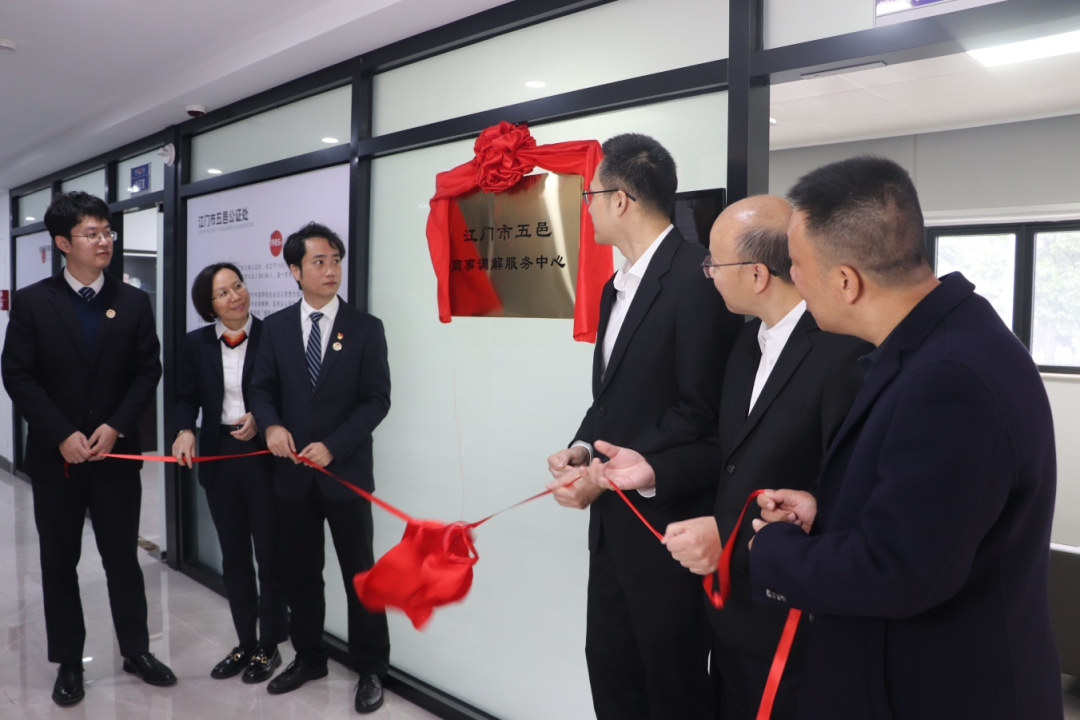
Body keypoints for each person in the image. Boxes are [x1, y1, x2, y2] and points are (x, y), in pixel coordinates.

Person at [749, 156, 1062, 719]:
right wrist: (826, 515)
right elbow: (935, 518)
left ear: (845, 281)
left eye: (795, 264)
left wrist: (773, 550)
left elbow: (898, 570)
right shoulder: (944, 340)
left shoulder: (950, 377)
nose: (791, 278)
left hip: (939, 693)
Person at [582, 195, 870, 719]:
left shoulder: (842, 350)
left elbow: (850, 490)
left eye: (714, 262)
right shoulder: (747, 343)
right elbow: (726, 450)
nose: (707, 273)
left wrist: (733, 535)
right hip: (732, 610)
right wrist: (654, 469)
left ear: (757, 274)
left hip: (794, 616)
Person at [545, 133, 742, 719]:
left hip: (667, 526)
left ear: (621, 200)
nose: (587, 208)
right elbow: (610, 399)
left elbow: (699, 409)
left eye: (591, 196)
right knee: (611, 671)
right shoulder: (618, 285)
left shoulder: (697, 280)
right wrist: (583, 449)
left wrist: (609, 469)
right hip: (611, 525)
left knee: (671, 686)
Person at [1, 191, 174, 706]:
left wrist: (117, 426)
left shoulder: (134, 301)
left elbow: (147, 371)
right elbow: (19, 375)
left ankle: (136, 650)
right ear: (62, 243)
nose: (104, 242)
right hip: (57, 458)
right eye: (91, 233)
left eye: (107, 232)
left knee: (122, 558)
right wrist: (61, 434)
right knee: (60, 561)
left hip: (115, 455)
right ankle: (70, 662)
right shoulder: (34, 302)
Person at [249, 222, 391, 714]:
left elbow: (376, 400)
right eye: (318, 261)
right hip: (292, 476)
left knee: (361, 576)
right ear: (295, 270)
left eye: (335, 260)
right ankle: (310, 657)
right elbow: (261, 389)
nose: (331, 270)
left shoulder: (366, 328)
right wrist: (270, 426)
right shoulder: (276, 328)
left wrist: (334, 445)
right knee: (301, 574)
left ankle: (371, 666)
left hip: (345, 474)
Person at [173, 263, 288, 683]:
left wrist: (262, 415)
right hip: (220, 458)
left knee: (270, 555)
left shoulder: (274, 335)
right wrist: (185, 430)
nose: (235, 296)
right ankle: (245, 642)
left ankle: (270, 644)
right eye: (223, 293)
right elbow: (185, 397)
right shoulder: (196, 343)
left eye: (237, 286)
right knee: (234, 556)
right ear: (210, 306)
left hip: (264, 455)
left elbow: (288, 392)